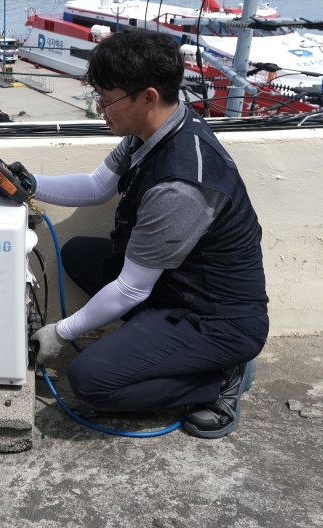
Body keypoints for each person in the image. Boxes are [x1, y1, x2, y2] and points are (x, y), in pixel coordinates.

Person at [29, 29, 268, 438]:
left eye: (106, 99)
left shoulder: (180, 186)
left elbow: (130, 290)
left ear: (148, 97)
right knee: (79, 253)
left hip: (216, 320)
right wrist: (30, 183)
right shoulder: (156, 131)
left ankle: (220, 380)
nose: (100, 108)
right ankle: (157, 344)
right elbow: (96, 186)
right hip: (178, 285)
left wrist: (60, 333)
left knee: (90, 381)